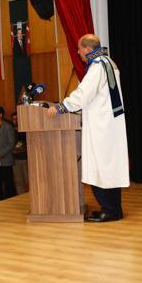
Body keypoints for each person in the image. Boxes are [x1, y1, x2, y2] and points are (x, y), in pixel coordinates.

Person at [48, 34, 129, 222]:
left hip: (101, 126)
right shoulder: (109, 62)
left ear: (87, 49)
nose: (78, 52)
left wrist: (61, 107)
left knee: (99, 167)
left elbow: (83, 95)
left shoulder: (97, 66)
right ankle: (114, 209)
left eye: (79, 49)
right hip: (109, 124)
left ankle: (109, 210)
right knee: (109, 167)